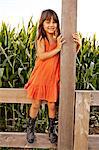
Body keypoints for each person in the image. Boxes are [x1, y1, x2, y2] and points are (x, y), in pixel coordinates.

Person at [24, 9, 81, 144]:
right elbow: (41, 56)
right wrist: (57, 48)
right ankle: (30, 128)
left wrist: (78, 44)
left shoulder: (59, 38)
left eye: (54, 22)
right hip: (40, 77)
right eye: (48, 22)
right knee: (36, 104)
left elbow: (69, 55)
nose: (51, 25)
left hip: (52, 78)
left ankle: (51, 129)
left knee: (51, 105)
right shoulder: (41, 39)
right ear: (42, 24)